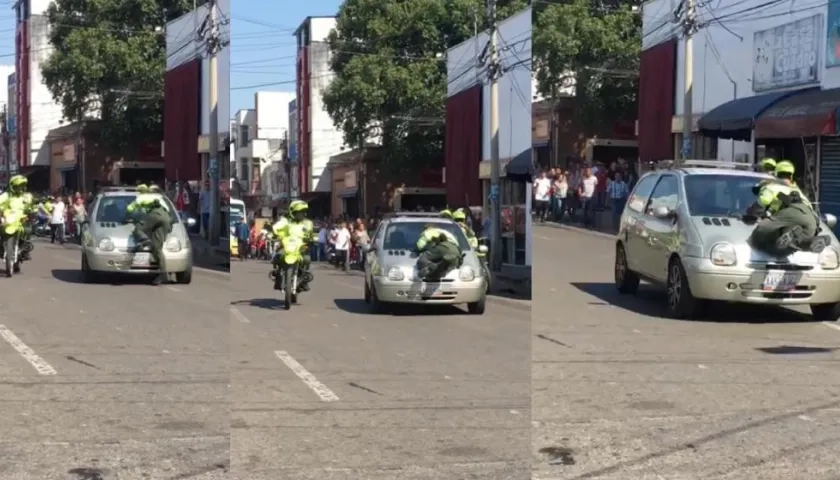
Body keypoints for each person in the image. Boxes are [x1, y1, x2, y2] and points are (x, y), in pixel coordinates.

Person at [747, 181, 826, 255]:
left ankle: (785, 233)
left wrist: (751, 212)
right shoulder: (793, 188)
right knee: (799, 240)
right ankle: (813, 242)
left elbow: (764, 200)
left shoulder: (768, 188)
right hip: (811, 218)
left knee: (761, 230)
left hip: (792, 210)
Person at [125, 184, 173, 285]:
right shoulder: (161, 198)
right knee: (157, 247)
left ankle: (144, 240)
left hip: (155, 214)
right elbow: (169, 211)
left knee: (138, 229)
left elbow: (130, 208)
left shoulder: (142, 197)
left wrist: (128, 217)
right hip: (166, 219)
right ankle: (163, 273)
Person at [272, 200, 316, 291]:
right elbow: (277, 227)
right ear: (293, 212)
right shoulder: (286, 221)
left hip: (300, 247)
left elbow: (313, 234)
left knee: (307, 259)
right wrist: (274, 233)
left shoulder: (308, 223)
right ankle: (278, 277)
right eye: (299, 212)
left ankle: (304, 281)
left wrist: (313, 238)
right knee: (277, 256)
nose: (301, 215)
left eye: (302, 212)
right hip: (287, 246)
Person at [0, 175, 35, 260]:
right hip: (8, 218)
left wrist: (32, 210)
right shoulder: (6, 195)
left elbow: (32, 206)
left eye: (22, 186)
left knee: (28, 230)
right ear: (13, 186)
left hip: (22, 219)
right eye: (18, 186)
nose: (20, 188)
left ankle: (26, 251)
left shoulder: (27, 196)